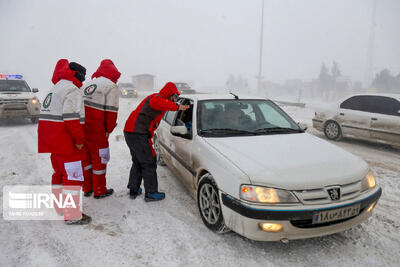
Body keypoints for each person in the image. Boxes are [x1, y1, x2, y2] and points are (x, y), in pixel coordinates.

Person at [38, 59, 91, 224]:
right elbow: (70, 117)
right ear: (78, 75)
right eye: (83, 77)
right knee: (73, 176)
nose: (83, 81)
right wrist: (80, 139)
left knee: (59, 174)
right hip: (67, 141)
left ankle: (60, 207)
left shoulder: (55, 88)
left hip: (52, 142)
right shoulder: (72, 90)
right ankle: (72, 215)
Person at [124, 82, 189, 201]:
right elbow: (157, 103)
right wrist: (177, 107)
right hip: (137, 133)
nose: (174, 100)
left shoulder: (160, 101)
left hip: (131, 132)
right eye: (173, 97)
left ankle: (134, 188)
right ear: (169, 94)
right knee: (149, 161)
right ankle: (151, 193)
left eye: (176, 98)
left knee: (138, 160)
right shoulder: (157, 98)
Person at [82, 59, 121, 199]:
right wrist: (108, 130)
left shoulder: (86, 84)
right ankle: (99, 190)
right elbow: (111, 111)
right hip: (98, 129)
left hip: (82, 127)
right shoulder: (110, 86)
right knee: (100, 159)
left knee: (86, 159)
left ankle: (87, 188)